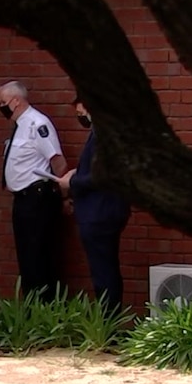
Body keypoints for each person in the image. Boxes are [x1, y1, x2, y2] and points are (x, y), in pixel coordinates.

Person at [56, 97, 131, 317]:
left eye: (80, 111)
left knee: (103, 273)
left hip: (100, 213)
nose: (81, 116)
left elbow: (101, 177)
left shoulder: (104, 135)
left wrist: (72, 182)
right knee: (106, 269)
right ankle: (109, 321)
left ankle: (108, 324)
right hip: (108, 210)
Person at [0, 80, 67, 300]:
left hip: (38, 199)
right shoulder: (19, 126)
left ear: (16, 101)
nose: (1, 106)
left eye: (2, 102)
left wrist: (64, 195)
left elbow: (58, 161)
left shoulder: (37, 124)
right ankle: (32, 309)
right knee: (27, 259)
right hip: (23, 200)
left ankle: (44, 309)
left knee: (38, 259)